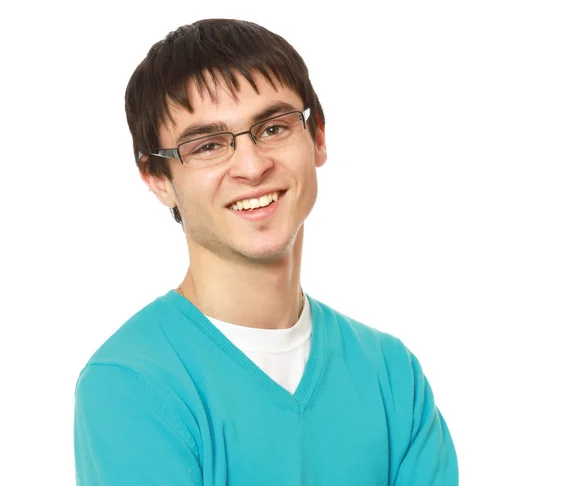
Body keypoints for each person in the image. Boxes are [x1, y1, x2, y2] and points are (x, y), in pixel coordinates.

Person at [73, 18, 458, 485]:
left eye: (273, 128)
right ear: (157, 178)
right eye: (208, 145)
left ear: (317, 137)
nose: (252, 166)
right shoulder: (130, 384)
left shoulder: (392, 375)